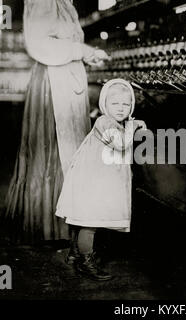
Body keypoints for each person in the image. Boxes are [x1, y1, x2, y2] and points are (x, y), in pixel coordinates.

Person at [2, 0, 108, 244]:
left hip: (64, 79)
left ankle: (65, 226)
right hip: (54, 84)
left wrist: (87, 55)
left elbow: (61, 42)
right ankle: (50, 228)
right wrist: (83, 51)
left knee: (66, 151)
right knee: (56, 150)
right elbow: (39, 44)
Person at [55, 79, 147, 281]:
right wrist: (134, 126)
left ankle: (75, 254)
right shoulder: (104, 121)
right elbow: (121, 144)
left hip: (97, 180)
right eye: (115, 104)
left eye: (126, 104)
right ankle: (85, 263)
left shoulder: (114, 122)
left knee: (87, 220)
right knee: (90, 222)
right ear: (105, 104)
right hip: (93, 182)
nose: (121, 109)